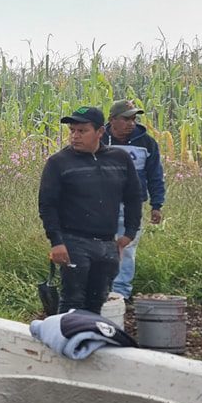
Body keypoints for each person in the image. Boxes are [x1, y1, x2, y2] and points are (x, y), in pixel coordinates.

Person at [39, 106, 142, 314]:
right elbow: (47, 205)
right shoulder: (59, 163)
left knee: (97, 303)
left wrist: (129, 233)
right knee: (72, 302)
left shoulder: (119, 160)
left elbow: (133, 197)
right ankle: (68, 344)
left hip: (107, 244)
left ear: (100, 132)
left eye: (82, 131)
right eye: (72, 131)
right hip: (74, 242)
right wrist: (57, 242)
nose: (75, 136)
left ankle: (90, 343)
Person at [101, 99, 167, 300]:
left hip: (132, 204)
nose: (132, 123)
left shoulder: (146, 143)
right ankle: (101, 289)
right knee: (101, 246)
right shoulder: (99, 140)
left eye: (134, 118)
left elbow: (155, 174)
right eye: (126, 119)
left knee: (126, 248)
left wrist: (157, 204)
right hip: (102, 203)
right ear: (112, 120)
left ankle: (120, 293)